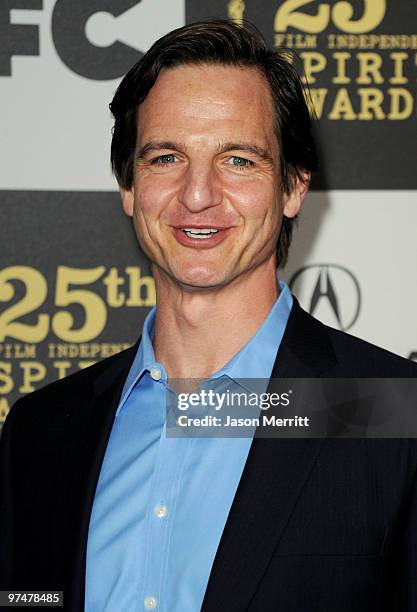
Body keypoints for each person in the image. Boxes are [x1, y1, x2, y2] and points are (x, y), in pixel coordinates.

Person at [1, 20, 417, 612]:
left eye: (239, 160)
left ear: (294, 186)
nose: (198, 194)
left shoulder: (392, 413)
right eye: (167, 157)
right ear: (129, 186)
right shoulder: (40, 432)